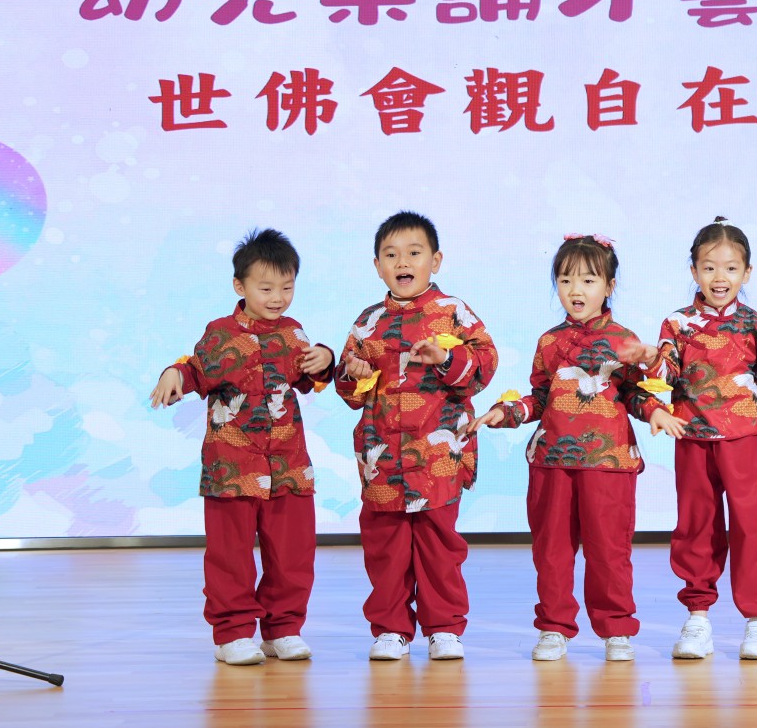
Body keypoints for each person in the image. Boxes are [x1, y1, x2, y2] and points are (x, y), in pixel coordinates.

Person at [149, 227, 335, 666]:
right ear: (240, 286)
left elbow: (312, 377)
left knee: (292, 555)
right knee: (230, 556)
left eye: (287, 287)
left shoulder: (294, 333)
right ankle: (232, 633)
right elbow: (194, 371)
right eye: (266, 288)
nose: (278, 297)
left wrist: (325, 357)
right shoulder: (219, 334)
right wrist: (173, 373)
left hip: (288, 467)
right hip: (231, 467)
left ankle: (283, 628)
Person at [479, 234, 662, 662]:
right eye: (565, 280)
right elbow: (540, 397)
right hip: (552, 461)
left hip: (609, 462)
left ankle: (616, 630)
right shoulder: (549, 341)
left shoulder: (625, 339)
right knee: (552, 550)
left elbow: (634, 393)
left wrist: (655, 411)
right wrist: (506, 413)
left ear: (609, 286)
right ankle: (553, 627)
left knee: (609, 551)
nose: (575, 290)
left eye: (588, 280)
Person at [621, 218, 757, 661]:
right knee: (696, 527)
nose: (721, 277)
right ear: (694, 271)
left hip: (745, 437)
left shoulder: (755, 323)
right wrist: (649, 360)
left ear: (747, 273)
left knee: (751, 526)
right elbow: (666, 376)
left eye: (731, 268)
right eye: (710, 267)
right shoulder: (678, 323)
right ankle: (698, 617)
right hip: (693, 436)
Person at [336, 211, 498, 662]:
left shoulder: (453, 313)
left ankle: (443, 627)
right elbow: (348, 391)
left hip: (438, 457)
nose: (402, 262)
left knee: (439, 547)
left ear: (435, 261)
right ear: (378, 266)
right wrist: (354, 374)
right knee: (385, 549)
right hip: (383, 458)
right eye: (391, 255)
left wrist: (445, 359)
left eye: (413, 253)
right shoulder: (367, 322)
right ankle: (391, 628)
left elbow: (483, 367)